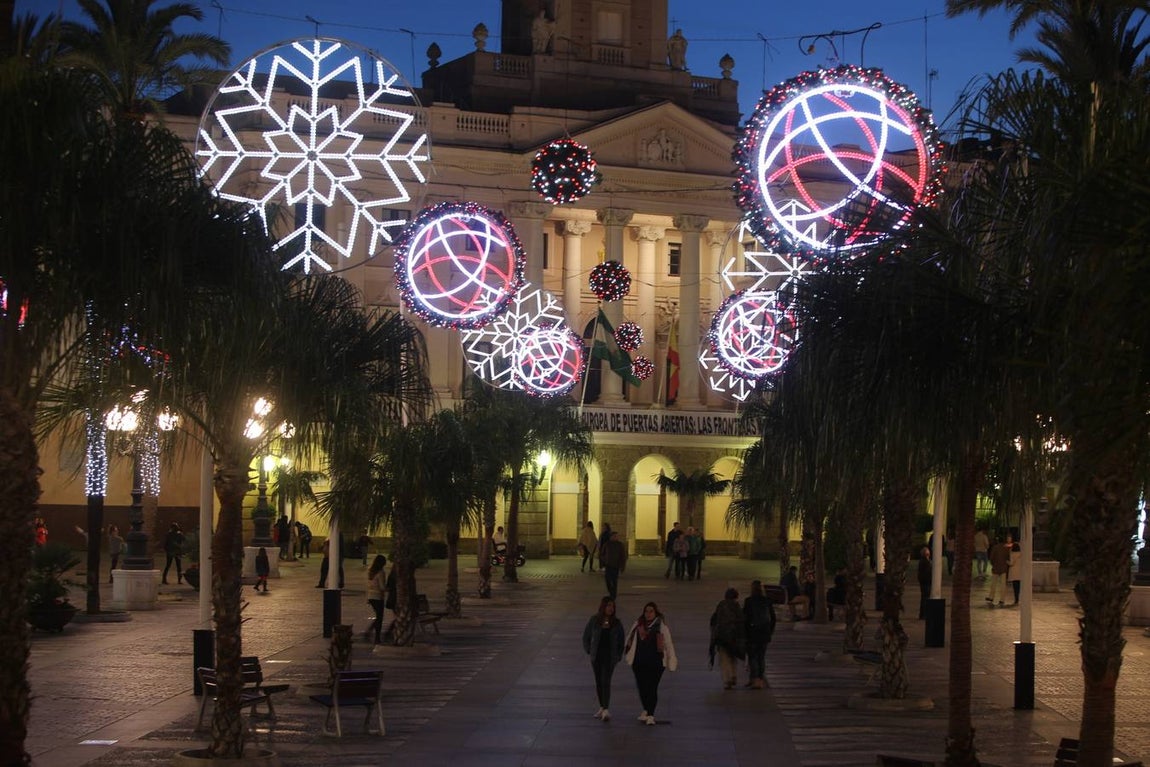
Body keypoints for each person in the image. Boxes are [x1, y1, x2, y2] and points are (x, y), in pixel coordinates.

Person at [624, 601, 677, 725]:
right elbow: (629, 639)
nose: (648, 614)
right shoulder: (638, 624)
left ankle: (651, 714)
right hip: (639, 662)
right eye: (646, 611)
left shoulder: (661, 627)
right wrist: (627, 653)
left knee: (652, 688)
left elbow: (669, 644)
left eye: (651, 611)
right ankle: (646, 709)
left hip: (656, 663)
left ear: (655, 613)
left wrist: (671, 659)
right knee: (642, 687)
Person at [582, 596, 625, 722]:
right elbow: (586, 636)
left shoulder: (617, 623)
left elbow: (621, 641)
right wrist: (589, 650)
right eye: (608, 606)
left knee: (605, 681)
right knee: (599, 682)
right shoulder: (594, 620)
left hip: (610, 657)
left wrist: (618, 656)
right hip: (597, 656)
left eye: (612, 606)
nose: (610, 608)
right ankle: (602, 706)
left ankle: (606, 709)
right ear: (603, 607)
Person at [710, 587, 747, 690]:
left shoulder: (721, 605)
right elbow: (741, 621)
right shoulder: (737, 606)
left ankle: (727, 679)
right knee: (733, 657)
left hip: (722, 636)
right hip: (734, 636)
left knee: (724, 659)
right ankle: (734, 674)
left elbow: (714, 620)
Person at [743, 580, 776, 689]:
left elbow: (745, 618)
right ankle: (760, 679)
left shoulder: (749, 601)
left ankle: (755, 680)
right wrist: (770, 631)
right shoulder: (767, 600)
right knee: (761, 657)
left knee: (753, 657)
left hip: (753, 633)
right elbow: (773, 618)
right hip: (765, 632)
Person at [365, 555, 388, 643]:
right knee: (380, 617)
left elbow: (368, 584)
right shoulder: (381, 572)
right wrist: (389, 589)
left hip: (371, 596)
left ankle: (370, 632)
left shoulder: (371, 570)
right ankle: (376, 637)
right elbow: (382, 587)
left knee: (378, 617)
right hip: (378, 597)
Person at [599, 530, 627, 600]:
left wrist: (622, 566)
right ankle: (611, 591)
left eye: (616, 536)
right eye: (614, 536)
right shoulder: (607, 544)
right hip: (608, 565)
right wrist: (603, 562)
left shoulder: (620, 545)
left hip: (616, 566)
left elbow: (623, 556)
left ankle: (613, 595)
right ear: (611, 537)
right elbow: (602, 554)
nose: (615, 537)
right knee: (608, 580)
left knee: (614, 581)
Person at [987, 534, 1010, 607]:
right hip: (1003, 568)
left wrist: (993, 564)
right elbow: (1008, 557)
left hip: (996, 567)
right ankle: (1002, 599)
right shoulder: (1006, 548)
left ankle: (991, 597)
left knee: (993, 584)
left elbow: (991, 558)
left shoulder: (995, 547)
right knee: (1003, 584)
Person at [1007, 533, 1022, 605]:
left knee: (1015, 587)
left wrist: (1007, 562)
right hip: (1019, 573)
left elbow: (1011, 563)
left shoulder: (1012, 554)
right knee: (1019, 587)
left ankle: (1016, 599)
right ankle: (1019, 598)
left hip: (1014, 573)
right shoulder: (1021, 554)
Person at [917, 545, 932, 619]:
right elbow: (927, 573)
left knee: (924, 598)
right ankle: (924, 614)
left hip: (924, 582)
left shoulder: (923, 561)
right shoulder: (925, 562)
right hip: (926, 583)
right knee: (925, 598)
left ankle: (923, 614)